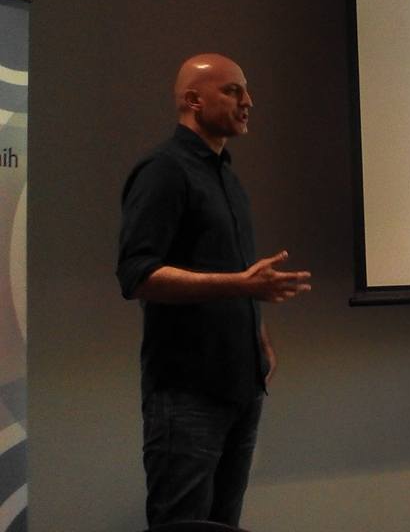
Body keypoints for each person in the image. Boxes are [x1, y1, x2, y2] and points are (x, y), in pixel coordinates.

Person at [116, 53, 311, 527]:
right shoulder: (164, 170)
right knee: (183, 524)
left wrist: (257, 335)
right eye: (233, 90)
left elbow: (231, 271)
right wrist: (242, 285)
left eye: (246, 90)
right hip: (186, 391)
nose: (248, 102)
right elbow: (137, 275)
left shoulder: (226, 176)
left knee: (224, 524)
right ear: (193, 100)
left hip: (240, 384)